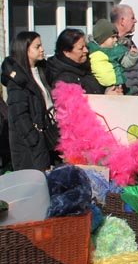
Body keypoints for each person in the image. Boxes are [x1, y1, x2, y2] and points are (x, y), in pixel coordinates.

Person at [1, 31, 55, 171]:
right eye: (37, 46)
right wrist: (34, 139)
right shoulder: (18, 80)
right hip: (30, 148)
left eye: (41, 45)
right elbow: (19, 116)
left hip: (47, 138)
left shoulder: (42, 71)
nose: (42, 49)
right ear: (24, 50)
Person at [46, 28, 121, 95]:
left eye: (86, 46)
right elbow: (77, 105)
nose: (86, 50)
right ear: (67, 52)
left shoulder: (86, 66)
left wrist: (108, 90)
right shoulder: (63, 80)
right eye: (81, 48)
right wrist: (106, 98)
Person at [87, 19, 138, 93]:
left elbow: (126, 63)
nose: (116, 39)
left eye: (116, 37)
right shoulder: (90, 50)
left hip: (117, 86)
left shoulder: (115, 50)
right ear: (102, 38)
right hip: (100, 87)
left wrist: (132, 56)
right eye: (112, 37)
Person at [111, 4, 138, 95]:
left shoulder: (129, 42)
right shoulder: (110, 45)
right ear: (122, 21)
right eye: (132, 18)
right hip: (122, 99)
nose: (135, 21)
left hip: (135, 98)